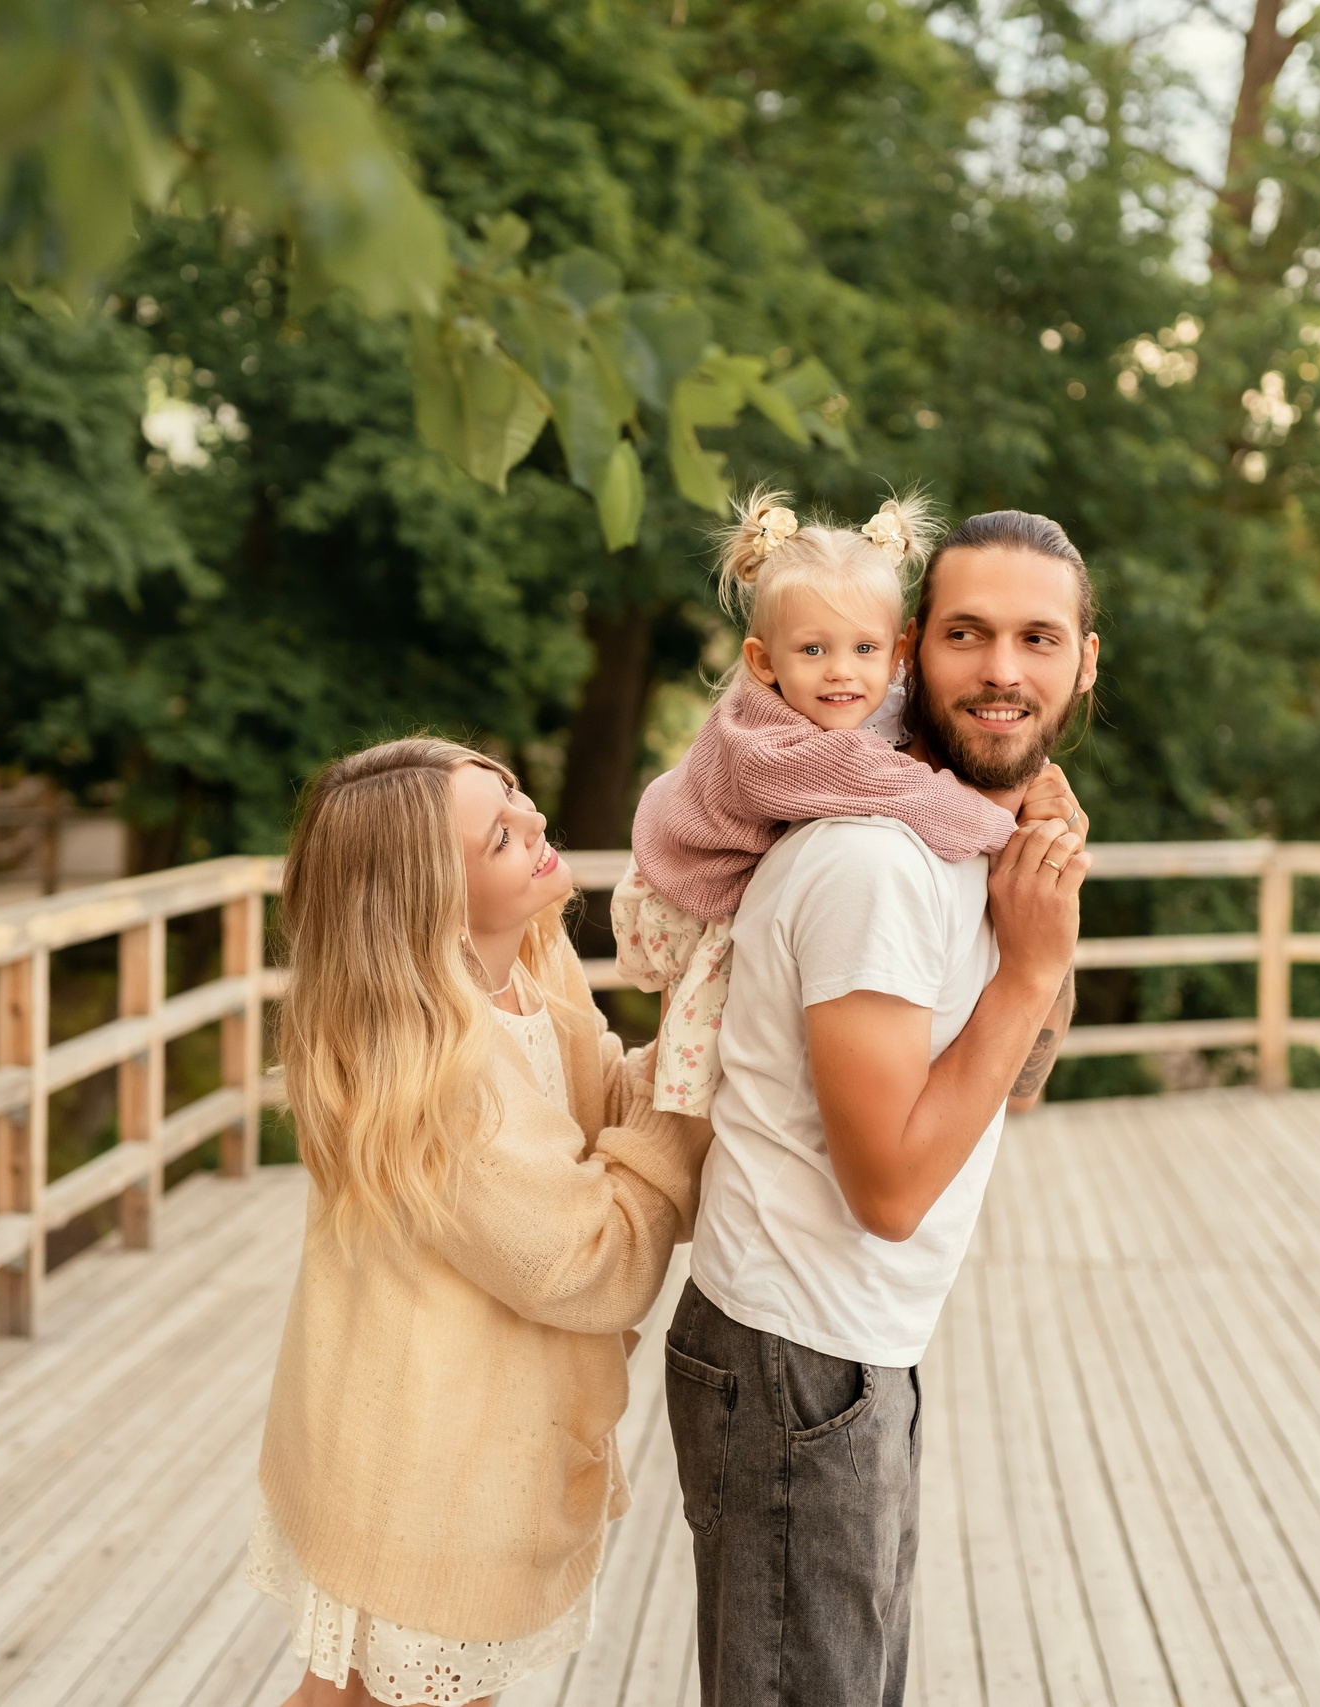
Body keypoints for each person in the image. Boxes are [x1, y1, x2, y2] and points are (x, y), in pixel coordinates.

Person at [666, 510, 1101, 1706]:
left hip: (853, 1347)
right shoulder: (874, 860)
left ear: (1083, 662)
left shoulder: (954, 827)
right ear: (913, 647)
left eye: (1036, 638)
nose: (1001, 670)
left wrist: (1037, 940)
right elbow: (893, 1191)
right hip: (798, 1353)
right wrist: (1026, 970)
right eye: (967, 634)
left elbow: (1014, 1085)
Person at [250, 737, 713, 1707]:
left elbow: (589, 1112)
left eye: (515, 798)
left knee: (362, 1697)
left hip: (455, 1442)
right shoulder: (431, 1076)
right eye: (500, 836)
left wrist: (683, 1038)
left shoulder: (531, 970)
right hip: (422, 1468)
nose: (537, 822)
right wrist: (686, 1090)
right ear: (430, 902)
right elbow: (588, 1258)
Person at [610, 488, 1022, 1115]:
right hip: (687, 885)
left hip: (692, 850)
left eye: (864, 649)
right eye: (812, 650)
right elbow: (898, 789)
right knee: (701, 1058)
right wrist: (1004, 824)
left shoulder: (839, 694)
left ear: (898, 655)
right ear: (763, 661)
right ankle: (672, 1143)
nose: (841, 672)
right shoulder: (774, 750)